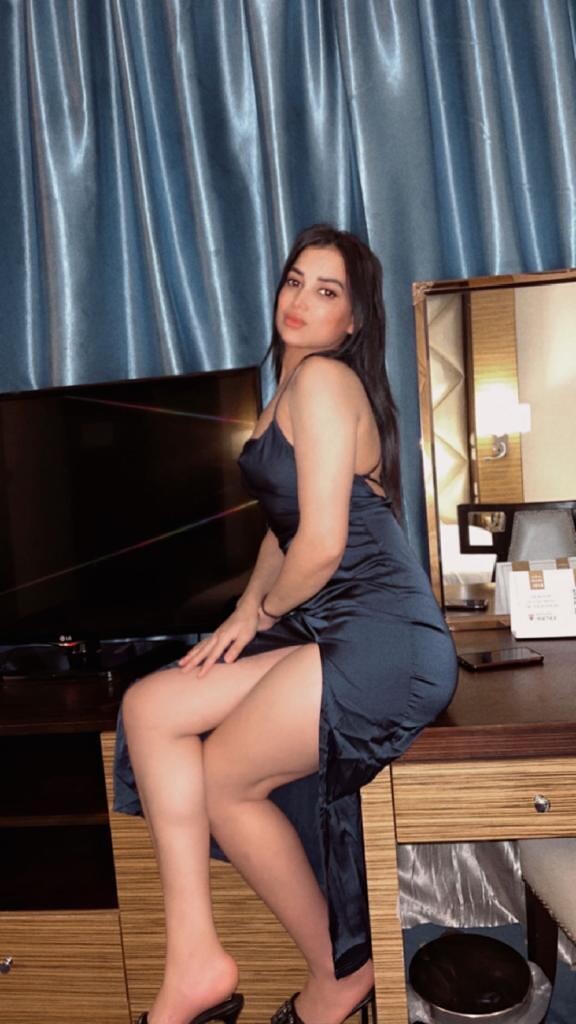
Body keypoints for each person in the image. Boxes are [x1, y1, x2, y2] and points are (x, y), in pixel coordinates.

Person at [121, 224, 458, 1024]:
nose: (301, 300)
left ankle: (337, 976)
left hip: (382, 637)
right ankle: (195, 958)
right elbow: (286, 527)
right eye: (294, 280)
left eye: (326, 291)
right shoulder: (291, 388)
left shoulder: (324, 383)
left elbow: (323, 544)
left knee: (224, 780)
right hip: (338, 631)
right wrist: (247, 610)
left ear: (353, 320)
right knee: (150, 706)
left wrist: (268, 611)